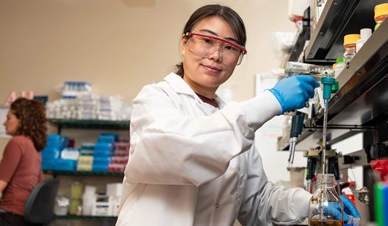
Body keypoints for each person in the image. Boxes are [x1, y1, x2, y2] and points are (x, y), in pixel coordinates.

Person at [116, 4, 360, 226]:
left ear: (239, 58)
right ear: (184, 43)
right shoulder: (156, 99)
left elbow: (259, 202)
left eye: (230, 47)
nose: (216, 55)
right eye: (207, 40)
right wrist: (272, 100)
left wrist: (310, 204)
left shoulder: (234, 120)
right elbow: (181, 150)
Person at [0, 98, 47, 226]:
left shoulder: (17, 142)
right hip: (25, 218)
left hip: (10, 218)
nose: (4, 123)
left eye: (8, 118)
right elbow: (37, 186)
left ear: (22, 121)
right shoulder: (35, 148)